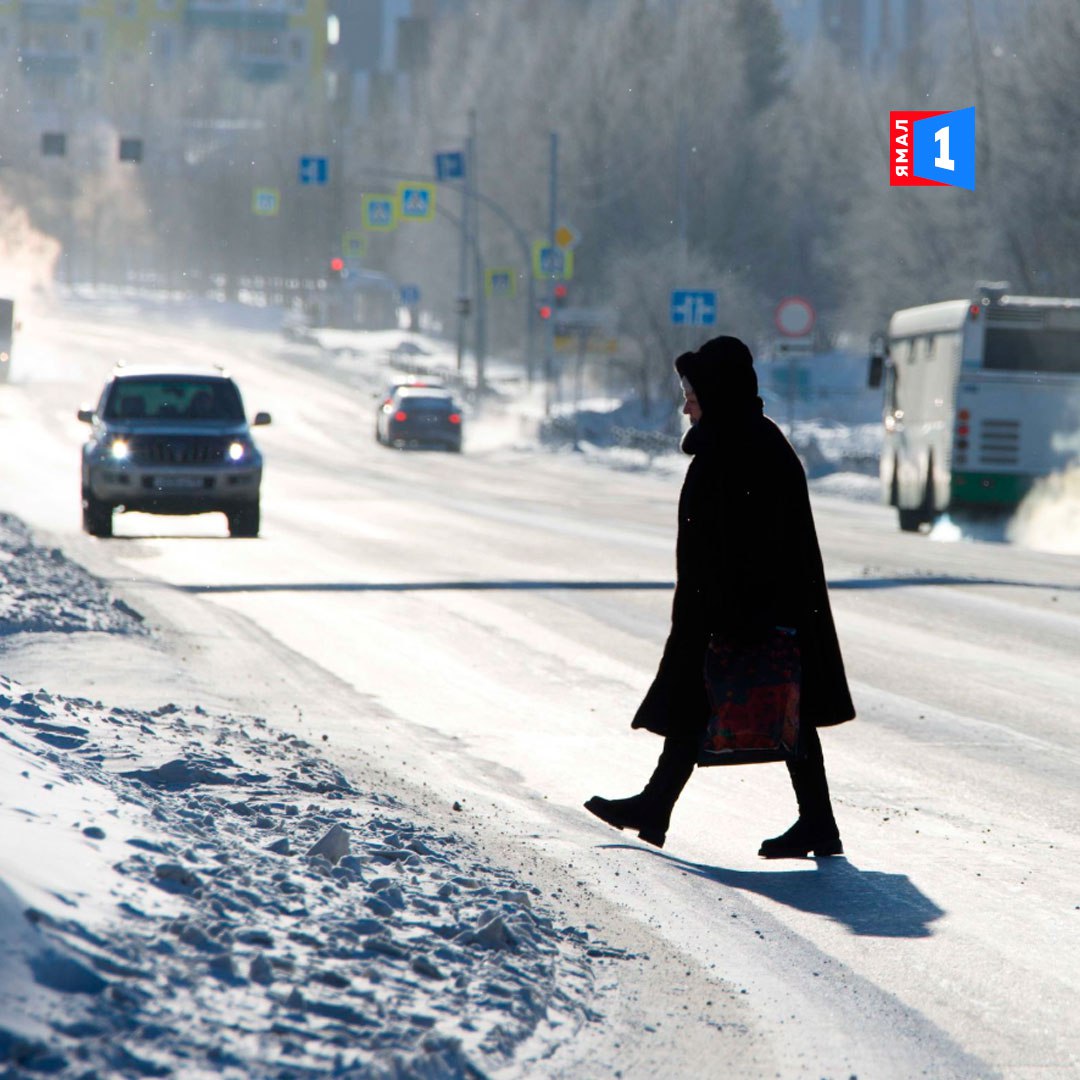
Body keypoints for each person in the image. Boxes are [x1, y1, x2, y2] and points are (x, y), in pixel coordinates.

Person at [585, 335, 855, 856]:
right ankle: (665, 805)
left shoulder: (740, 447)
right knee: (753, 705)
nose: (685, 404)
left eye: (691, 393)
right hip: (739, 609)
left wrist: (734, 615)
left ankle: (661, 805)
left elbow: (754, 542)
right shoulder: (742, 440)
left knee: (758, 703)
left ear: (715, 392)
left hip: (742, 612)